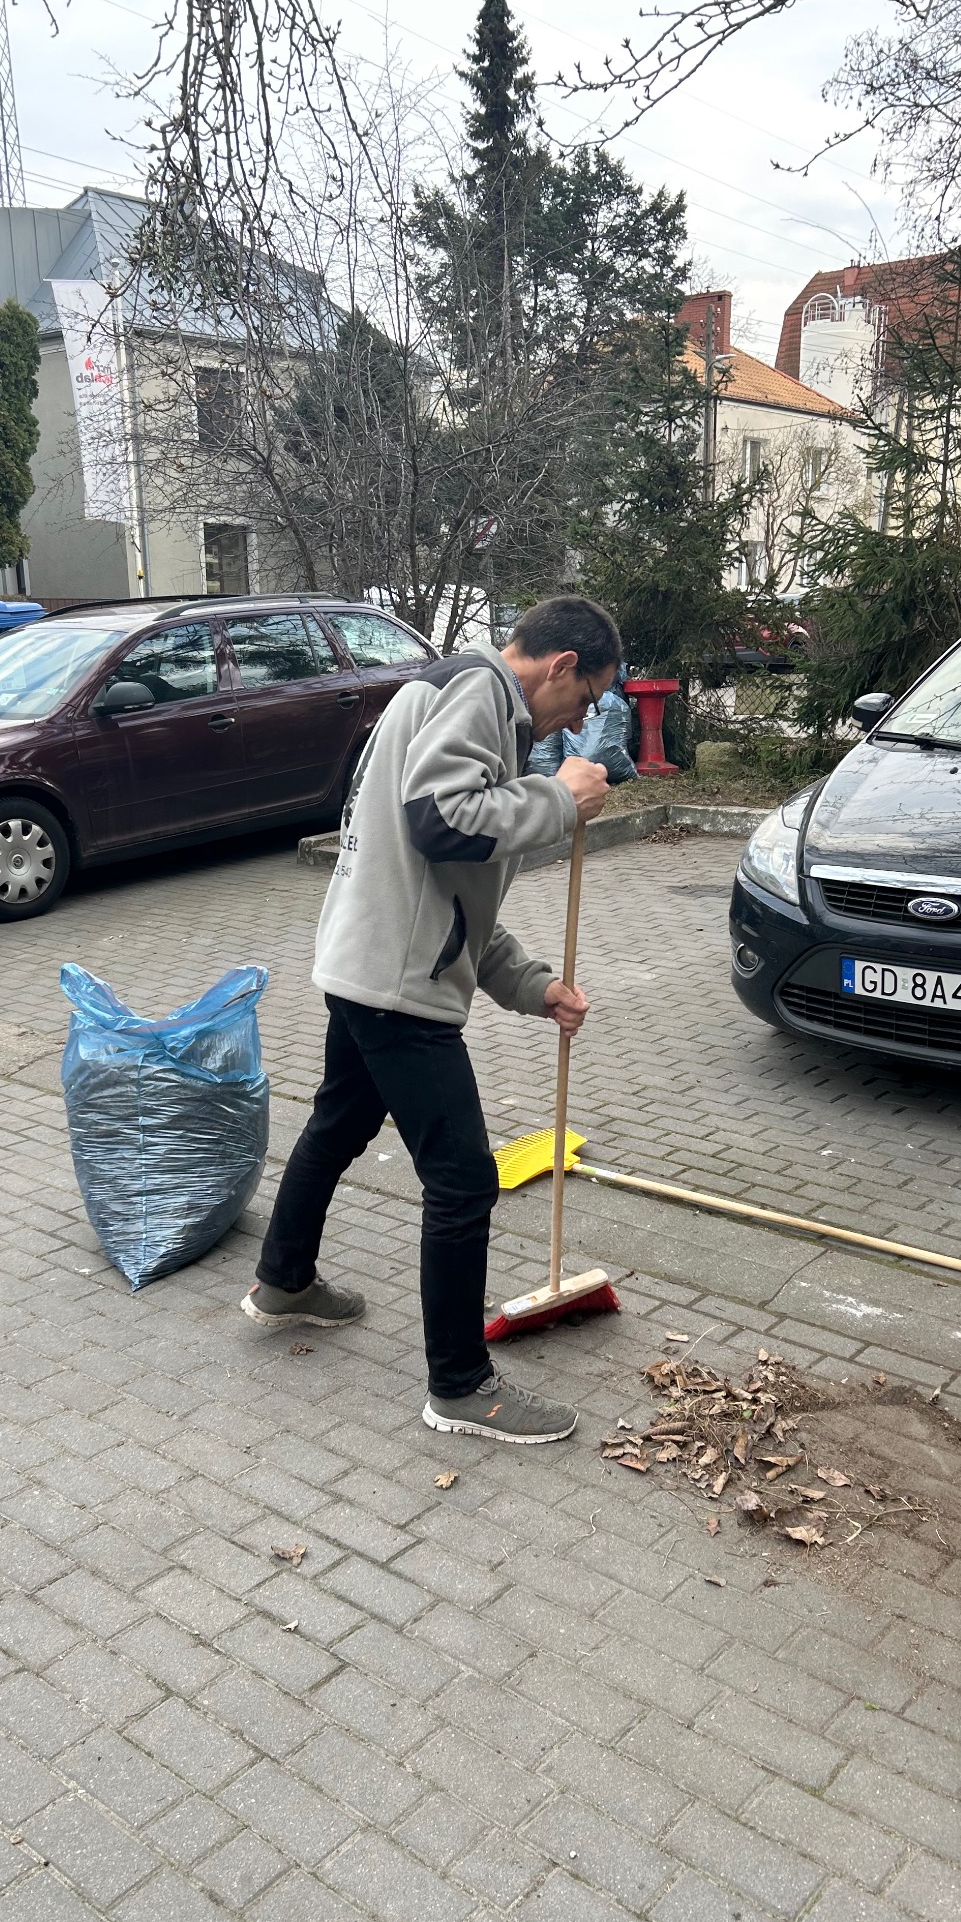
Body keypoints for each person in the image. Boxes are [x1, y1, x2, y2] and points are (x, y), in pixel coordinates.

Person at [241, 596, 621, 1444]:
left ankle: (283, 1281)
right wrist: (556, 800)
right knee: (462, 1181)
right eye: (586, 697)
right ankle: (460, 1386)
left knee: (339, 1124)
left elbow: (446, 896)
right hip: (396, 986)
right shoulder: (481, 692)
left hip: (364, 961)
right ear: (560, 665)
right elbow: (442, 821)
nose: (579, 719)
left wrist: (533, 987)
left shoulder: (450, 691)